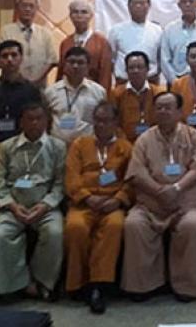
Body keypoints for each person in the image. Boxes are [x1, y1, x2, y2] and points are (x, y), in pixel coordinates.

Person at [122, 92, 196, 301]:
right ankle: (143, 286)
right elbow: (136, 172)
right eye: (159, 107)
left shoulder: (194, 136)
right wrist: (157, 190)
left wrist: (177, 188)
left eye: (168, 107)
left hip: (185, 205)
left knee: (192, 226)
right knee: (133, 224)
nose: (163, 111)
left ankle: (186, 287)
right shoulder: (144, 139)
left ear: (180, 111)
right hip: (150, 205)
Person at [0, 102, 66, 300]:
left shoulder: (58, 147)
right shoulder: (6, 147)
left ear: (47, 121)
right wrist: (12, 206)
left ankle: (42, 282)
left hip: (45, 206)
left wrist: (45, 205)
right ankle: (14, 285)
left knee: (55, 233)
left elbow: (59, 185)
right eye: (29, 119)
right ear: (21, 122)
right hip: (13, 206)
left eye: (39, 119)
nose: (34, 123)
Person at [64, 102, 133, 314]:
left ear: (116, 123)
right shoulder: (79, 144)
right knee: (76, 227)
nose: (101, 125)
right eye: (97, 121)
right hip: (84, 203)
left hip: (112, 204)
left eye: (106, 121)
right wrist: (86, 197)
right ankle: (78, 283)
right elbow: (71, 176)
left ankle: (99, 285)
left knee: (114, 226)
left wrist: (118, 199)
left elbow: (131, 181)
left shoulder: (125, 147)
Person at [0, 40, 42, 143]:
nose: (9, 59)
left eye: (14, 55)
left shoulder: (32, 90)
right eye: (5, 56)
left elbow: (37, 122)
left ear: (21, 59)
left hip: (24, 145)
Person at [44, 46, 106, 145]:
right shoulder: (51, 92)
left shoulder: (99, 92)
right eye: (71, 62)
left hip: (87, 147)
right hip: (57, 147)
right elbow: (45, 122)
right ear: (64, 65)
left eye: (80, 62)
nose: (75, 66)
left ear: (88, 66)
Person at [0, 0, 57, 87]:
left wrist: (37, 80)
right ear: (17, 7)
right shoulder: (6, 31)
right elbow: (4, 58)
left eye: (31, 6)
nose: (27, 9)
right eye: (24, 5)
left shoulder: (45, 33)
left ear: (37, 9)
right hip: (12, 86)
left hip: (39, 87)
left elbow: (52, 60)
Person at [108, 51, 166, 142]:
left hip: (154, 141)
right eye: (131, 68)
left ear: (147, 69)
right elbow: (114, 123)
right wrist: (124, 143)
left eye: (140, 67)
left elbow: (163, 121)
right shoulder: (116, 94)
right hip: (125, 142)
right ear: (126, 70)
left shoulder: (159, 93)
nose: (136, 71)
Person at [108, 0, 162, 84]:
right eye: (135, 3)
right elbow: (110, 59)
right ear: (129, 6)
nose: (138, 6)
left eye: (142, 3)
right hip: (123, 82)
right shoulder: (116, 30)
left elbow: (161, 59)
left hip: (151, 82)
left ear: (148, 6)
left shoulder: (158, 30)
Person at [57, 0, 113, 90]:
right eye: (75, 12)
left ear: (91, 16)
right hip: (68, 92)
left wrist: (103, 95)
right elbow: (60, 72)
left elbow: (105, 74)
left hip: (92, 92)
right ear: (70, 16)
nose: (79, 15)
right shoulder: (65, 43)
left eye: (84, 12)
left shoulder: (101, 42)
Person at [161, 0, 196, 84]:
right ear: (179, 5)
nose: (187, 4)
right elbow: (164, 59)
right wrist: (175, 82)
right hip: (176, 80)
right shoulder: (170, 29)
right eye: (184, 2)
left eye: (191, 1)